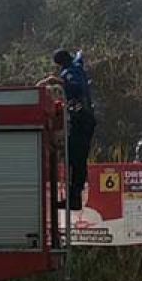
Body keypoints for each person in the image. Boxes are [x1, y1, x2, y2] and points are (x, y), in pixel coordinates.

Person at [39, 48, 96, 210]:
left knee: (75, 158)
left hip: (81, 119)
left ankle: (74, 198)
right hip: (84, 119)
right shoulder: (76, 65)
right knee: (75, 158)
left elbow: (75, 88)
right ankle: (74, 197)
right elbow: (80, 56)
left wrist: (57, 81)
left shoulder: (70, 72)